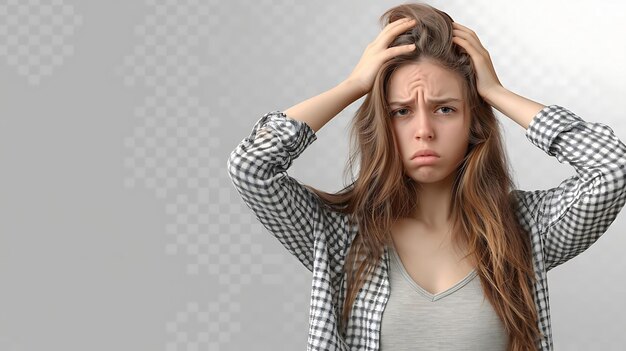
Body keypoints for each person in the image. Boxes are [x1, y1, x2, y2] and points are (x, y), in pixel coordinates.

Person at [226, 2, 626, 350]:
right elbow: (252, 167)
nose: (424, 130)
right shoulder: (336, 233)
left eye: (445, 109)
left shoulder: (524, 229)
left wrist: (496, 92)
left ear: (474, 122)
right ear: (383, 124)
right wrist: (353, 86)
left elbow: (612, 168)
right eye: (401, 111)